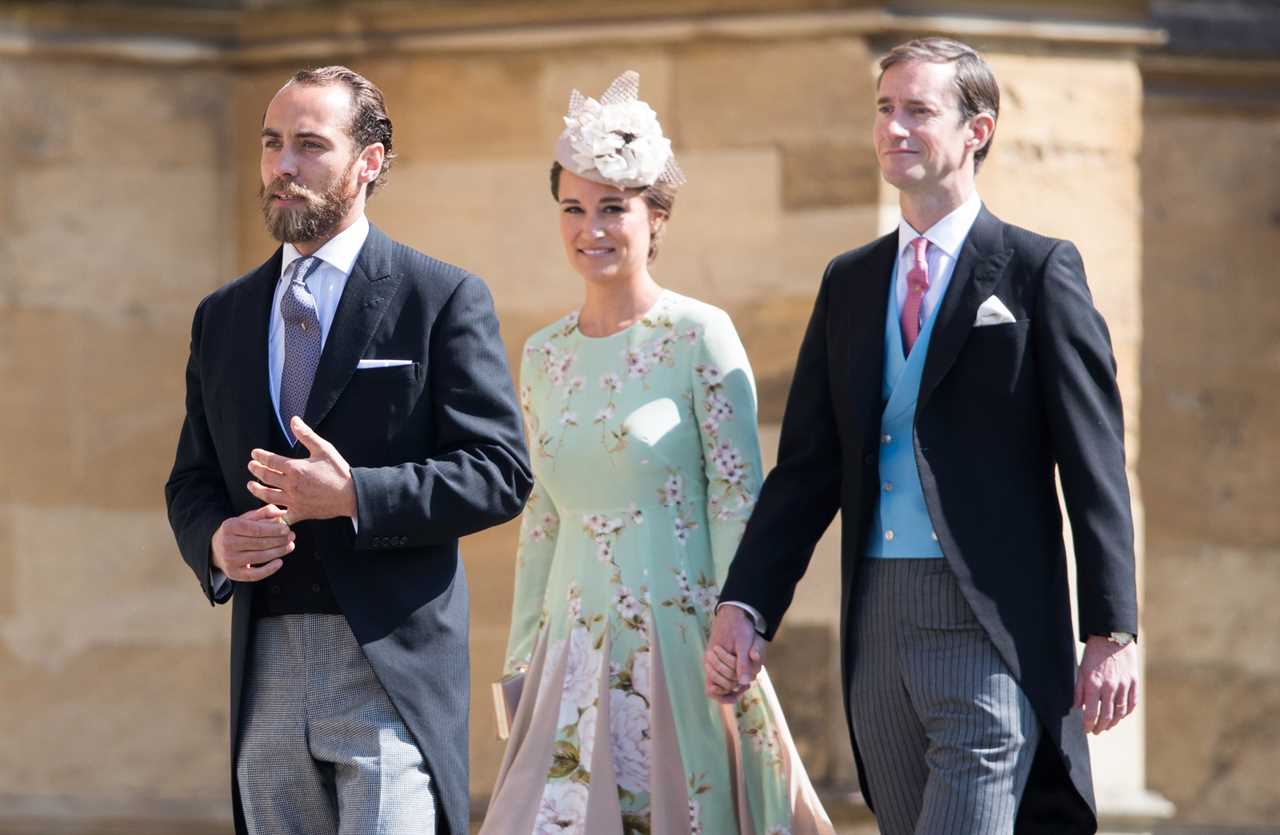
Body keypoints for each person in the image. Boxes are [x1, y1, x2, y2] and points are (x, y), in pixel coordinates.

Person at [704, 38, 1140, 835]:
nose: (894, 128)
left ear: (977, 130)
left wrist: (1111, 628)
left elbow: (1095, 464)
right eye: (884, 108)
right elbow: (807, 468)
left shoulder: (1039, 272)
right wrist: (747, 601)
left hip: (989, 625)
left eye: (918, 111)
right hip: (877, 624)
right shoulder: (851, 280)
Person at [164, 66, 532, 835]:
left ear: (369, 161)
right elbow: (193, 479)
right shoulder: (222, 317)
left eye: (309, 145)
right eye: (272, 144)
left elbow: (501, 472)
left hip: (390, 668)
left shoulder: (440, 296)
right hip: (263, 667)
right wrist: (216, 542)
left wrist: (354, 494)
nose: (283, 167)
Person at [480, 71, 833, 835]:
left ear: (656, 214)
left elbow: (740, 494)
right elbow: (542, 515)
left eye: (613, 207)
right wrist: (519, 662)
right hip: (568, 655)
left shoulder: (699, 334)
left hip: (683, 648)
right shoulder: (542, 354)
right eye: (573, 208)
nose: (591, 227)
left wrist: (737, 629)